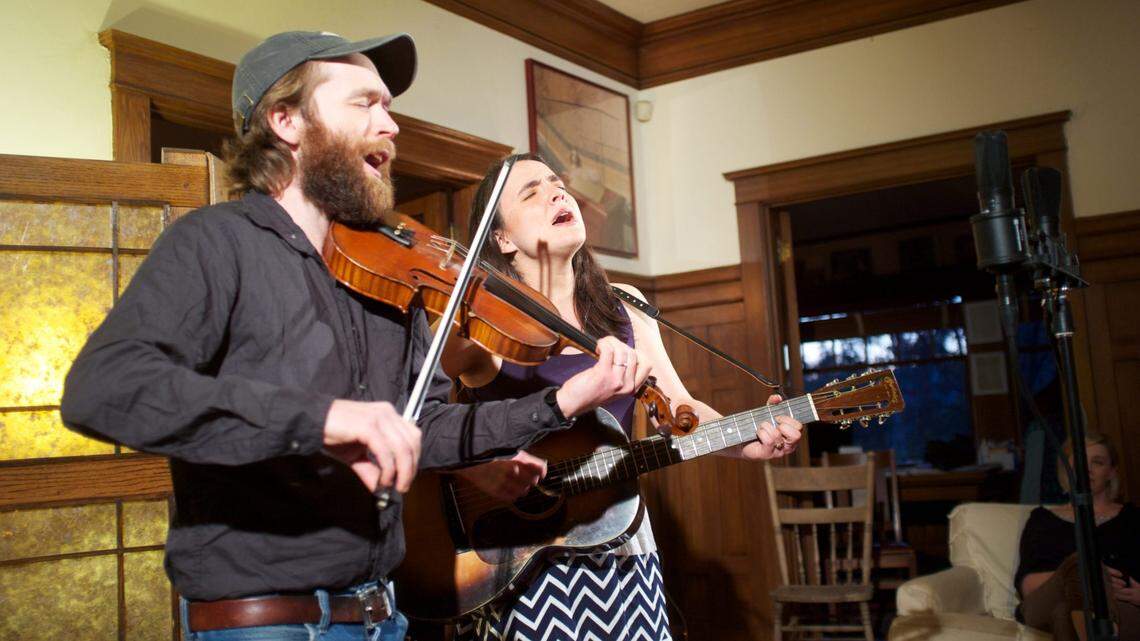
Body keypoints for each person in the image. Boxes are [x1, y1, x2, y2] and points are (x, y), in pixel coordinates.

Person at [60, 33, 635, 641]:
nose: (389, 125)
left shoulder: (393, 273)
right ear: (285, 120)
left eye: (388, 107)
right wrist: (323, 419)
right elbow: (103, 388)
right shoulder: (214, 241)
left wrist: (562, 402)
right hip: (265, 624)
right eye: (365, 104)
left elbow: (429, 426)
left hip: (386, 617)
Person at [440, 153, 804, 640]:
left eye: (557, 183)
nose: (556, 193)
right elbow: (421, 405)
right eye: (532, 193)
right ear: (502, 238)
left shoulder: (626, 306)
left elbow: (680, 412)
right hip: (520, 558)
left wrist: (745, 442)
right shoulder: (486, 323)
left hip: (623, 544)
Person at [1015, 431, 1140, 641]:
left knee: (1064, 615)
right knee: (1081, 565)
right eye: (1079, 461)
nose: (1087, 469)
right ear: (1066, 469)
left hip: (1122, 606)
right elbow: (1028, 586)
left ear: (1111, 471)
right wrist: (1093, 578)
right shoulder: (1042, 520)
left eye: (1098, 462)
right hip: (1045, 602)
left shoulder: (1133, 518)